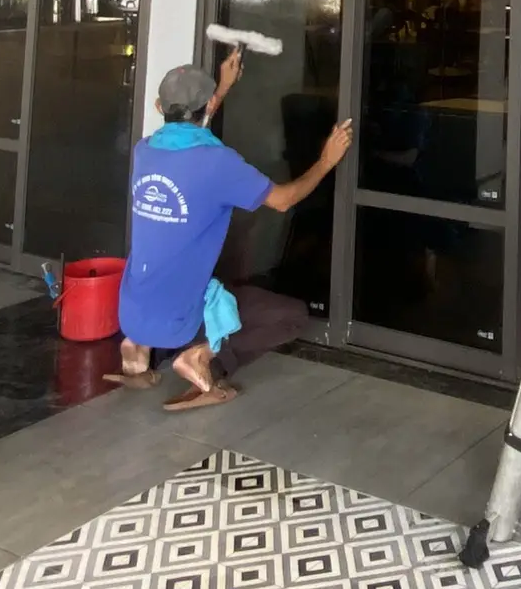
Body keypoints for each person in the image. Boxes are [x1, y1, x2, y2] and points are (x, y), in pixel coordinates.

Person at [108, 47, 352, 411]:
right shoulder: (217, 162)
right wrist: (326, 161)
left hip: (132, 310)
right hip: (177, 317)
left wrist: (222, 88)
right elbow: (283, 200)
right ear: (204, 106)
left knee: (174, 285)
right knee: (291, 316)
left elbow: (190, 132)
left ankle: (137, 356)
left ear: (159, 107)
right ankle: (202, 358)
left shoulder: (146, 151)